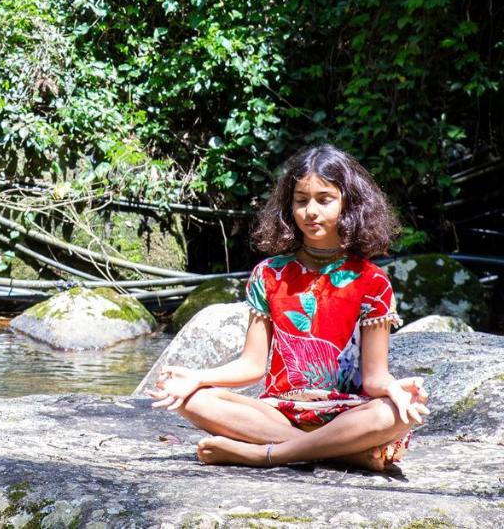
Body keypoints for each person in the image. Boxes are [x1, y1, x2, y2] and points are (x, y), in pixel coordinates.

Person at [148, 144, 429, 469]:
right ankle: (345, 453)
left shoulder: (372, 280)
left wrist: (395, 387)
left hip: (348, 413)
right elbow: (252, 366)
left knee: (394, 411)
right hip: (278, 413)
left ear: (349, 204)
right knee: (187, 397)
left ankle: (266, 454)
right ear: (289, 207)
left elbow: (374, 379)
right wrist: (197, 377)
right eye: (301, 201)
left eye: (324, 200)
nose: (311, 211)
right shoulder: (268, 274)